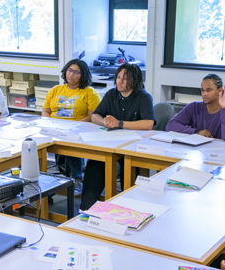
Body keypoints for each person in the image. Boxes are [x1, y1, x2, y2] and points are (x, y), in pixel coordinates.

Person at [80, 63, 155, 210]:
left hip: (134, 148)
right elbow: (95, 116)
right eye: (118, 77)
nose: (119, 81)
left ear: (135, 80)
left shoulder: (144, 97)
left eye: (125, 79)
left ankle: (127, 211)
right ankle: (86, 210)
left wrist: (119, 123)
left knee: (130, 175)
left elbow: (148, 124)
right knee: (95, 164)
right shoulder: (111, 94)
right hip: (109, 144)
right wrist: (105, 121)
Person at [43, 59, 101, 190]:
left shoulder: (90, 93)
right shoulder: (55, 90)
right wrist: (48, 123)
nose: (71, 74)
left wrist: (74, 126)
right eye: (69, 70)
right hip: (54, 128)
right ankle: (41, 180)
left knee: (69, 141)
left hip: (78, 130)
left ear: (83, 75)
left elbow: (93, 116)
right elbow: (45, 111)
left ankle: (77, 178)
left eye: (76, 72)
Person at [165, 73, 225, 142]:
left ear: (220, 91)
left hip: (221, 154)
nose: (204, 94)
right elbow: (170, 126)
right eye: (202, 90)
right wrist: (196, 132)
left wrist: (224, 108)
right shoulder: (194, 107)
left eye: (209, 90)